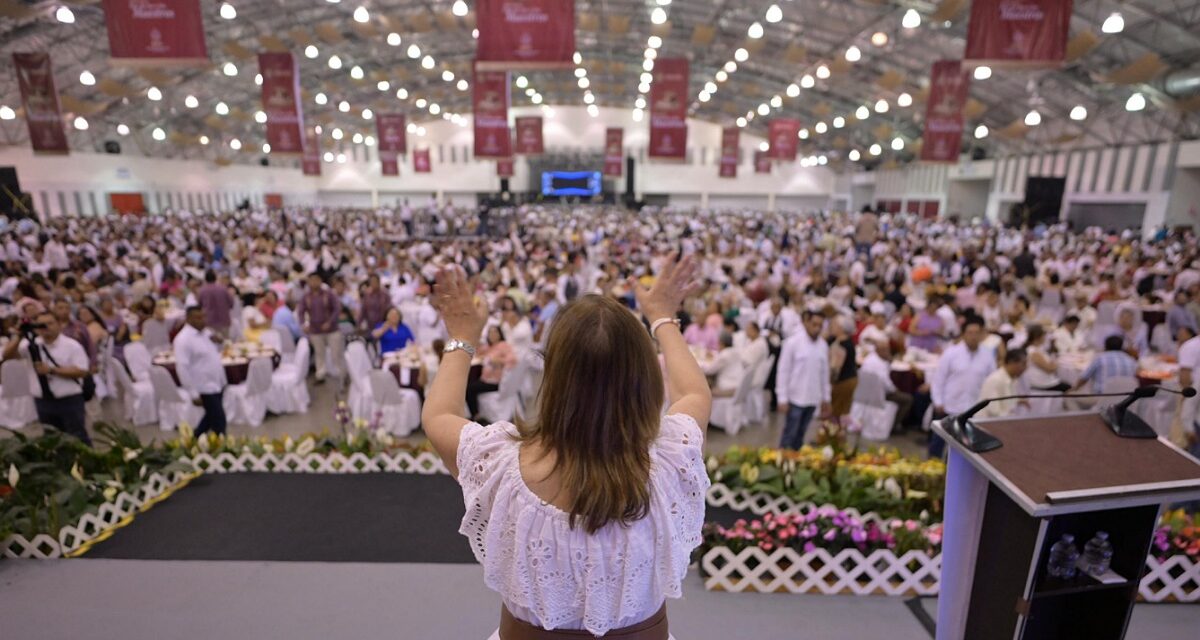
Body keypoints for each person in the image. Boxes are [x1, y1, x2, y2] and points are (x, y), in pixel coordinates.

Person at [420, 254, 710, 638]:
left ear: (553, 377)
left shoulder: (499, 465)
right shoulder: (672, 458)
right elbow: (694, 391)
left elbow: (438, 415)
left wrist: (463, 335)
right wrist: (662, 318)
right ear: (645, 379)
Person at [2, 311, 92, 444]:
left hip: (69, 400)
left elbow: (82, 371)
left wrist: (52, 370)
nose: (46, 328)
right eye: (42, 324)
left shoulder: (72, 345)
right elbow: (7, 355)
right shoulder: (31, 345)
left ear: (59, 325)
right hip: (43, 401)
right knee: (52, 440)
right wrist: (19, 335)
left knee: (77, 437)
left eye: (50, 323)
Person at [929, 316, 996, 458]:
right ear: (964, 334)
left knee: (964, 450)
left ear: (982, 335)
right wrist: (938, 401)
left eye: (977, 333)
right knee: (938, 443)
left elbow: (991, 382)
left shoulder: (987, 355)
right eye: (970, 333)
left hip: (973, 408)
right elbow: (939, 378)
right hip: (949, 405)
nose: (973, 336)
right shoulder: (951, 353)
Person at [776, 310, 831, 449]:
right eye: (814, 324)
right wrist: (782, 397)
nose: (817, 328)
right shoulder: (793, 343)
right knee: (790, 433)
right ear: (806, 322)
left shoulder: (823, 345)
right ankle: (783, 461)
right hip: (795, 397)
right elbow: (783, 371)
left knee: (801, 434)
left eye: (820, 325)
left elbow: (824, 373)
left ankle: (795, 461)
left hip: (813, 398)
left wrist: (826, 397)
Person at [173, 306, 228, 437]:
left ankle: (194, 440)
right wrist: (192, 393)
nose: (202, 320)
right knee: (219, 421)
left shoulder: (206, 333)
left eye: (203, 316)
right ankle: (224, 450)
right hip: (203, 386)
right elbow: (182, 368)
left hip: (217, 382)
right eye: (198, 318)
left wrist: (220, 342)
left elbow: (214, 352)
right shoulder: (183, 340)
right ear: (188, 319)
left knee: (210, 417)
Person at [297, 273, 343, 382]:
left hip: (332, 330)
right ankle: (320, 374)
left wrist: (330, 322)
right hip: (315, 330)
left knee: (336, 353)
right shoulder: (306, 297)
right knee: (319, 353)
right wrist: (303, 324)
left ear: (320, 281)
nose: (313, 283)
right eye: (311, 280)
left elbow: (337, 309)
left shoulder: (329, 294)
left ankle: (340, 374)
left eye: (315, 280)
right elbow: (301, 311)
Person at [860, 344, 913, 432]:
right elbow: (887, 384)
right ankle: (893, 426)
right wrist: (895, 390)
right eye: (887, 351)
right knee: (908, 399)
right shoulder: (880, 364)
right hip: (878, 394)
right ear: (879, 350)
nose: (888, 353)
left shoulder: (870, 358)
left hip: (866, 391)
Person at [1073, 335, 1139, 393]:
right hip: (1124, 401)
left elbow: (1084, 378)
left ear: (1105, 346)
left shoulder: (1100, 358)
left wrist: (1073, 389)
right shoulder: (1131, 361)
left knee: (1070, 398)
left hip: (1101, 399)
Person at [977, 348, 1030, 419]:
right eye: (1023, 364)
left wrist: (1019, 401)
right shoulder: (996, 380)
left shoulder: (1012, 379)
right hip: (986, 424)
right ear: (1012, 362)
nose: (1026, 367)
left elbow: (1006, 400)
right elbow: (994, 411)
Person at [828, 316, 858, 425]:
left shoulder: (841, 345)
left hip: (843, 381)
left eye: (835, 325)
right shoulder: (846, 341)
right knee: (842, 411)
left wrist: (829, 384)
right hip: (850, 378)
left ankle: (831, 436)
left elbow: (835, 369)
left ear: (841, 328)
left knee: (836, 411)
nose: (832, 327)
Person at [701, 331, 745, 397]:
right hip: (738, 385)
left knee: (704, 387)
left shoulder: (724, 355)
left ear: (721, 343)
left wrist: (698, 365)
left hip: (727, 387)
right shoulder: (736, 351)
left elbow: (709, 370)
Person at [197, 270, 234, 338]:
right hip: (223, 320)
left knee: (211, 344)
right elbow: (231, 304)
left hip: (209, 321)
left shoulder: (202, 290)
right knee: (225, 343)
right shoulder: (223, 289)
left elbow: (199, 305)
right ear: (215, 278)